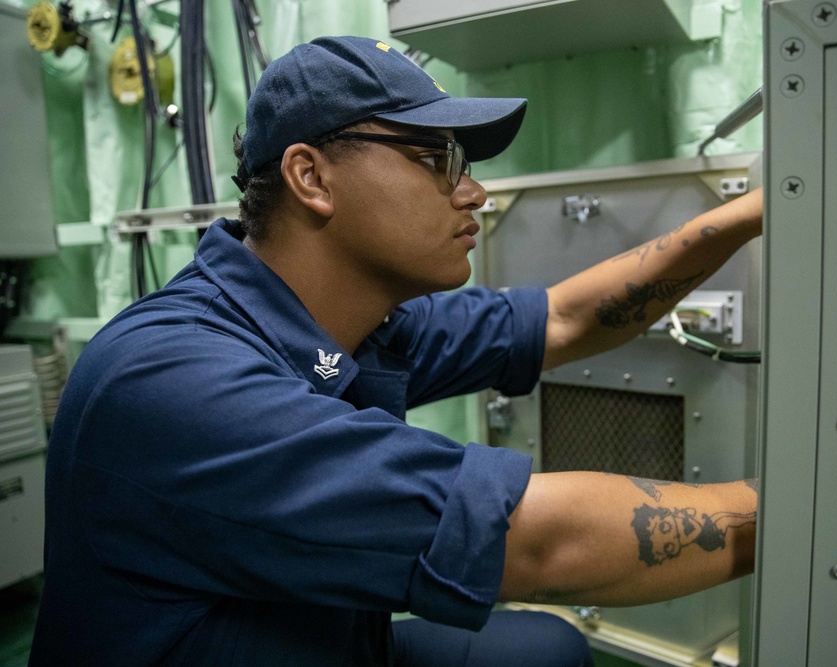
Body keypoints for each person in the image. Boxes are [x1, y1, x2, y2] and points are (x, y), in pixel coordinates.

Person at [29, 36, 762, 666]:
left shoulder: (359, 321)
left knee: (547, 649)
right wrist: (798, 508)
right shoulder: (173, 379)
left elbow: (564, 320)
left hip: (326, 639)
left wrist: (753, 214)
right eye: (439, 158)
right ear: (311, 177)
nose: (475, 192)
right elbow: (533, 543)